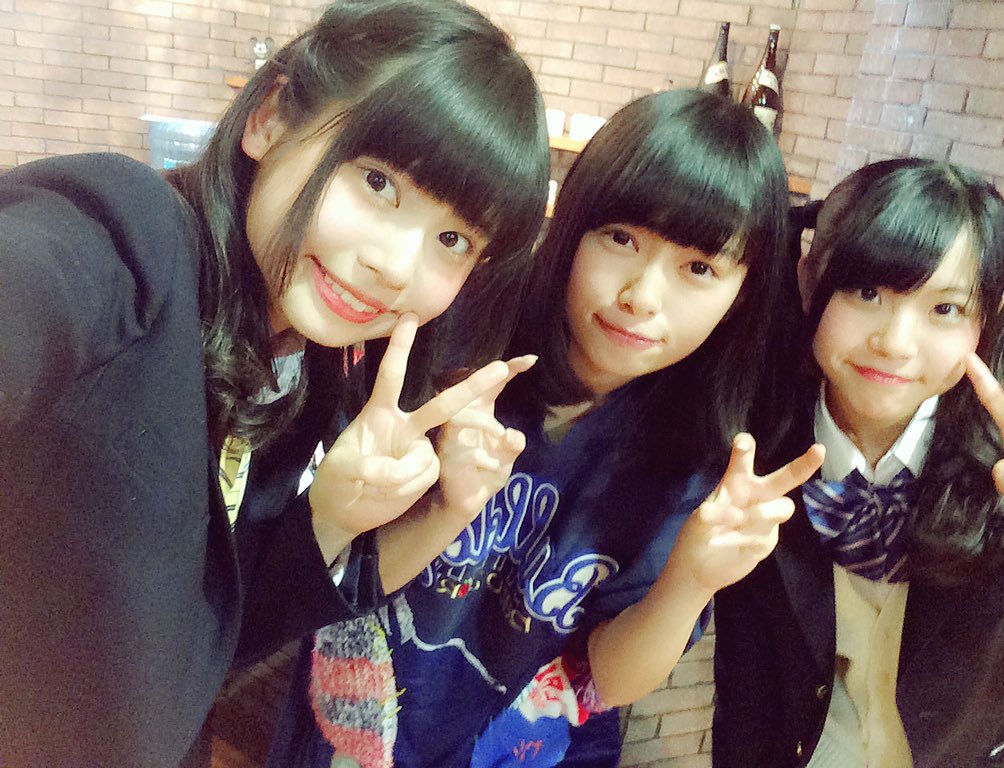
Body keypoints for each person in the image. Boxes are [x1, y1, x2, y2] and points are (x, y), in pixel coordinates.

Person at [0, 0, 549, 765]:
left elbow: (196, 646)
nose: (395, 265)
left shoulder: (304, 374)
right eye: (378, 182)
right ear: (269, 119)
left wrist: (333, 517)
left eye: (453, 238)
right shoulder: (130, 237)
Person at [266, 88, 824, 768]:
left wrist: (690, 581)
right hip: (355, 728)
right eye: (621, 239)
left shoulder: (702, 454)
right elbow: (335, 573)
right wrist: (442, 505)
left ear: (743, 292)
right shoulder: (456, 336)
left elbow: (608, 678)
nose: (642, 298)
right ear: (573, 224)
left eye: (699, 269)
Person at [712, 158, 1004, 767]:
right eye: (867, 292)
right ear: (810, 280)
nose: (894, 343)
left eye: (945, 309)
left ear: (989, 315)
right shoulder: (749, 439)